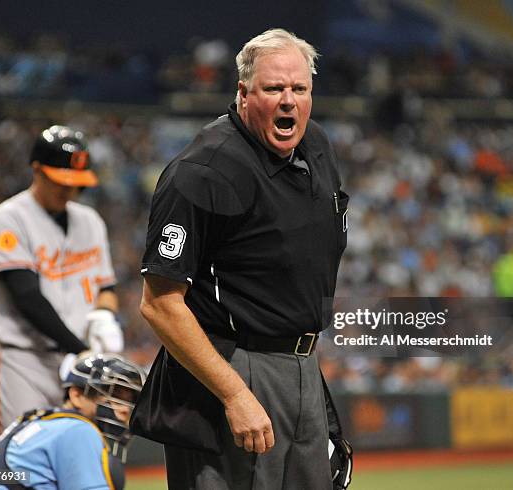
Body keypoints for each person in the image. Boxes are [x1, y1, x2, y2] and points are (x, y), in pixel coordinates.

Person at [135, 28, 352, 489]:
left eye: (300, 88)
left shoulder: (317, 147)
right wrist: (236, 395)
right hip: (233, 367)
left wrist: (309, 385)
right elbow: (160, 304)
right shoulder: (203, 170)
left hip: (302, 363)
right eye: (274, 89)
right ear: (244, 93)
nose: (289, 100)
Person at [0, 125, 124, 448]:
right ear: (36, 170)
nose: (68, 190)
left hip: (76, 367)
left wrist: (104, 317)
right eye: (60, 181)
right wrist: (80, 348)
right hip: (24, 363)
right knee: (17, 464)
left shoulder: (90, 221)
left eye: (75, 184)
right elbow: (26, 297)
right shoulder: (7, 219)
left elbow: (107, 287)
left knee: (72, 466)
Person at [0, 352, 145, 490]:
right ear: (76, 395)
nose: (124, 409)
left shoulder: (43, 420)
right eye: (113, 396)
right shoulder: (78, 430)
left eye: (129, 401)